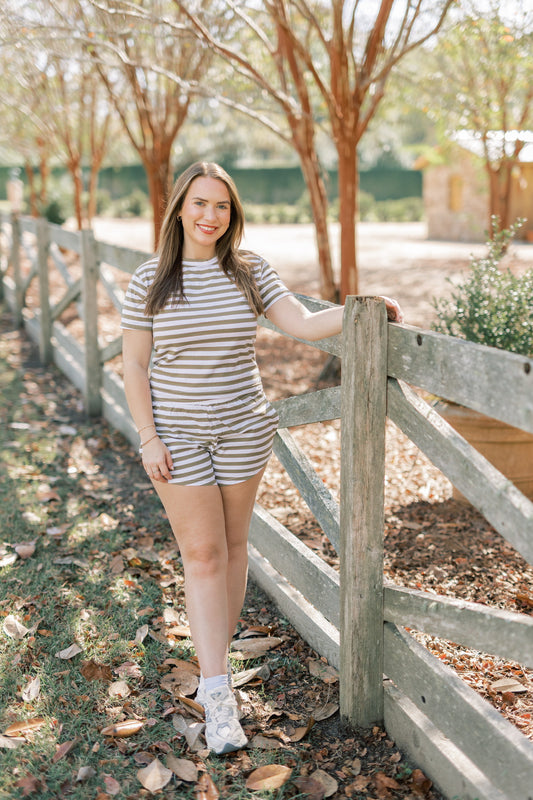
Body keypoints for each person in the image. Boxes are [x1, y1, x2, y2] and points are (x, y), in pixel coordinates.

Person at [121, 161, 403, 755]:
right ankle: (218, 695)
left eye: (221, 207)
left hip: (244, 429)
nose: (209, 216)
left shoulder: (248, 271)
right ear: (179, 208)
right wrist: (150, 437)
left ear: (233, 214)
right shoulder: (150, 279)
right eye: (199, 203)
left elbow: (299, 321)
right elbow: (135, 367)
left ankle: (215, 661)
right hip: (178, 438)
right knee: (201, 554)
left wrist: (364, 307)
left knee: (234, 545)